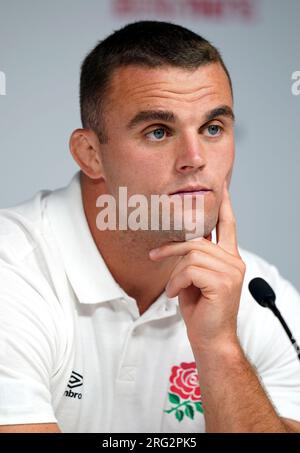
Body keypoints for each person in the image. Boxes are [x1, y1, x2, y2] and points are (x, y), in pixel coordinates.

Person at [0, 20, 300, 434]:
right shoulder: (12, 272)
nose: (195, 158)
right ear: (90, 155)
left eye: (213, 128)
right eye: (158, 132)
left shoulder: (265, 297)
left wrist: (219, 348)